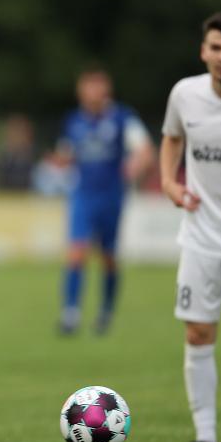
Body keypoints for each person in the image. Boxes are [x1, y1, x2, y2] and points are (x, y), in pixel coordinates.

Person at [160, 10, 221, 442]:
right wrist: (171, 183)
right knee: (197, 335)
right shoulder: (185, 94)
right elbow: (172, 137)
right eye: (218, 48)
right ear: (203, 51)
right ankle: (205, 437)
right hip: (202, 237)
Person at [57, 67, 153, 335]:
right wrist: (59, 161)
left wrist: (137, 164)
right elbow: (66, 153)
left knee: (108, 257)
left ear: (106, 91)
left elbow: (145, 149)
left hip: (111, 195)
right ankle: (70, 313)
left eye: (98, 87)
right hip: (82, 195)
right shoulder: (73, 120)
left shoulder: (123, 118)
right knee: (76, 252)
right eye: (88, 88)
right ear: (80, 91)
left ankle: (106, 312)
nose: (93, 94)